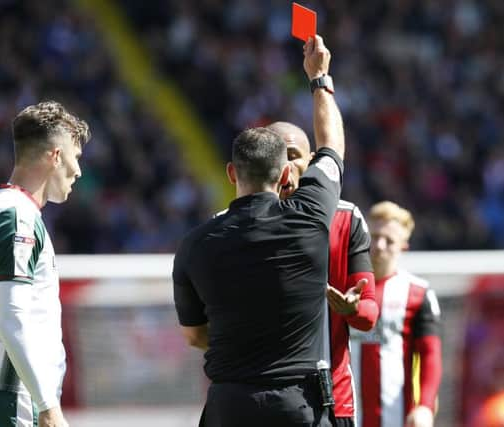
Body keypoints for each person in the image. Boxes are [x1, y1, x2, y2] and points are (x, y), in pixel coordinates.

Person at [173, 35, 345, 427]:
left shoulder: (195, 245)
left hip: (228, 404)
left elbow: (194, 336)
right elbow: (332, 146)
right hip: (297, 405)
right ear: (287, 173)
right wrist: (319, 78)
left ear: (232, 172)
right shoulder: (311, 215)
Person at [0, 101, 90, 427]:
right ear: (55, 156)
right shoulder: (17, 217)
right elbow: (13, 318)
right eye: (75, 158)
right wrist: (47, 404)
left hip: (4, 391)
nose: (78, 171)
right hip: (15, 396)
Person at [267, 121, 378, 427]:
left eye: (292, 154)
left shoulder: (345, 219)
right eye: (275, 156)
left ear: (313, 160)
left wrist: (352, 309)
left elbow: (368, 314)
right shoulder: (238, 224)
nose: (285, 165)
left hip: (331, 401)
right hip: (261, 399)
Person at [350, 201, 442, 427]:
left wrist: (425, 407)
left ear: (404, 246)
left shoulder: (418, 293)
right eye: (374, 235)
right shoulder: (341, 287)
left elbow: (430, 354)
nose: (379, 245)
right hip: (343, 415)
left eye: (389, 240)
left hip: (395, 418)